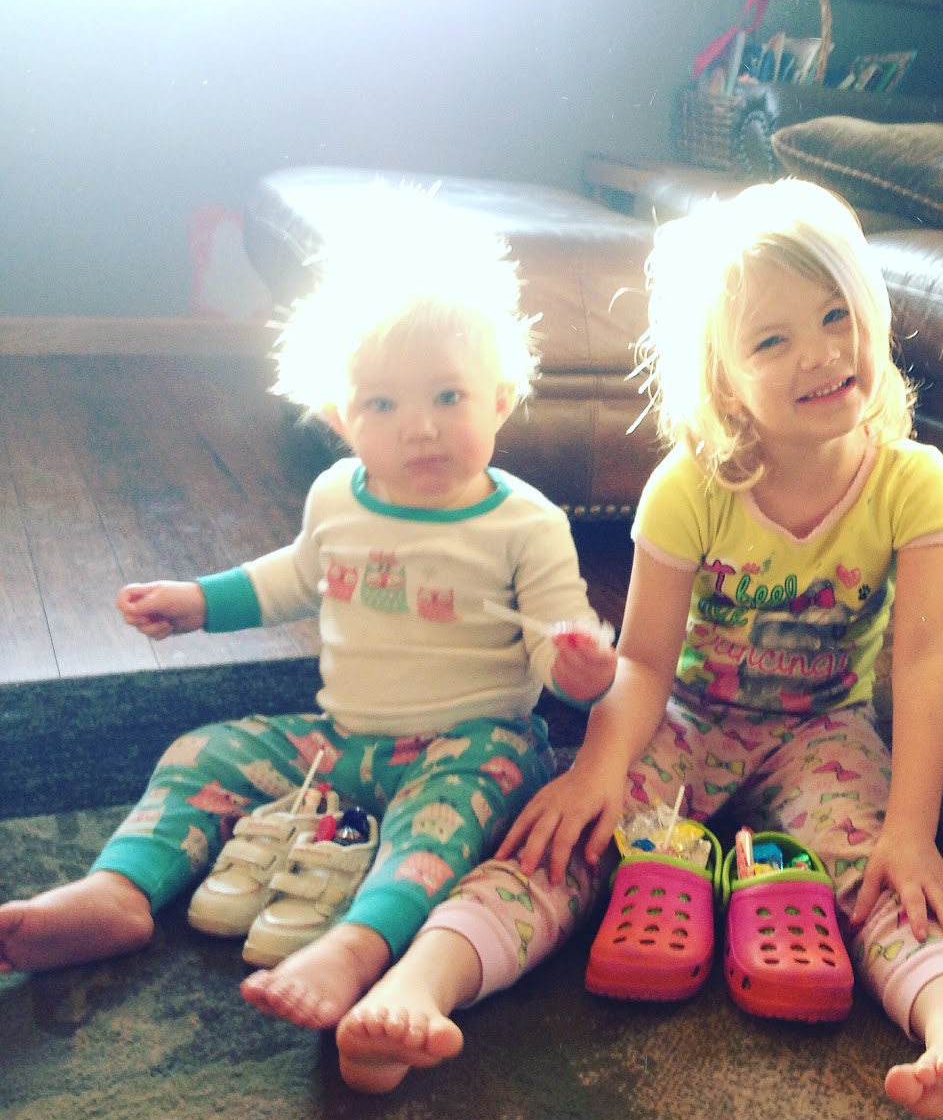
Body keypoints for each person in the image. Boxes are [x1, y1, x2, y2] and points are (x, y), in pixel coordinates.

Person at [334, 178, 943, 1120]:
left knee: (893, 877)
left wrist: (912, 830)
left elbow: (923, 659)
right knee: (565, 839)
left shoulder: (918, 483)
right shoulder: (690, 485)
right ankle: (420, 985)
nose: (820, 352)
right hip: (689, 716)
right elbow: (647, 659)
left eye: (836, 316)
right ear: (723, 379)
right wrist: (596, 770)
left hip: (824, 734)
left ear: (872, 314)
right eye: (771, 340)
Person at [0, 187, 618, 1034]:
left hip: (473, 746)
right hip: (341, 742)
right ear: (340, 418)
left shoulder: (526, 523)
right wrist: (199, 602)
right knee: (200, 753)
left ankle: (359, 946)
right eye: (383, 405)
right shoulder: (337, 494)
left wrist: (580, 669)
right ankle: (119, 890)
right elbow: (294, 575)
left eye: (448, 397)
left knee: (440, 826)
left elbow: (556, 637)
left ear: (501, 399)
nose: (420, 428)